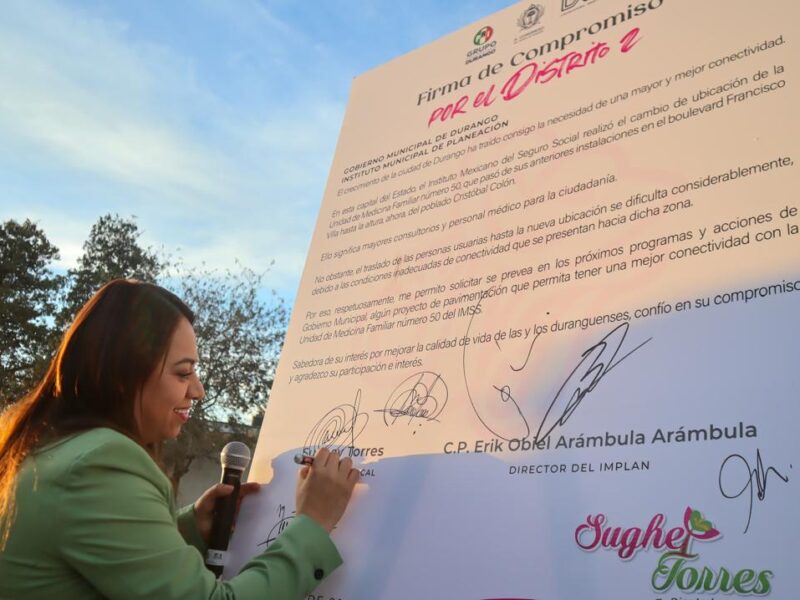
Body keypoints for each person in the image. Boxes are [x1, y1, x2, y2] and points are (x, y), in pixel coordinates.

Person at [0, 279, 359, 598]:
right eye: (183, 373)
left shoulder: (49, 447)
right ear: (125, 376)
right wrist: (313, 523)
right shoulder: (99, 463)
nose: (198, 391)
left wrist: (188, 528)